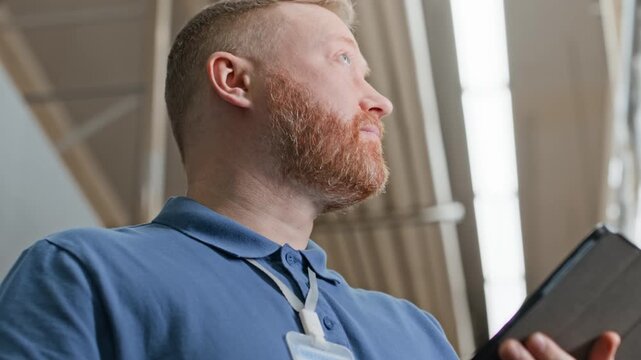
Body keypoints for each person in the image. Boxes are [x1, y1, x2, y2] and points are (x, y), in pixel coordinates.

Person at [0, 0, 621, 359]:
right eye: (344, 60)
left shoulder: (415, 333)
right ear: (235, 80)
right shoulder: (84, 274)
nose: (380, 100)